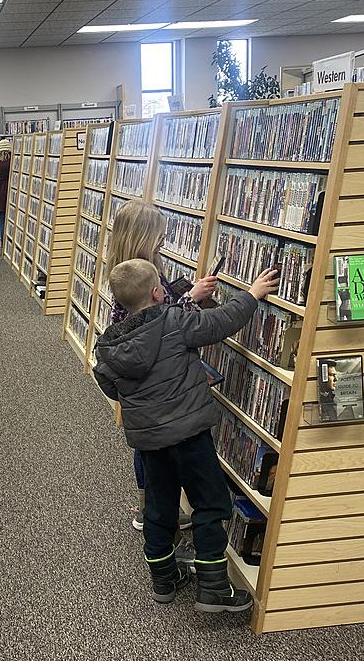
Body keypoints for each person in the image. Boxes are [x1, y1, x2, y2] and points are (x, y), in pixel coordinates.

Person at [93, 258, 279, 612]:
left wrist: (139, 401)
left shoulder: (109, 344)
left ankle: (164, 579)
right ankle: (213, 587)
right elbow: (220, 322)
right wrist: (252, 295)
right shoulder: (175, 321)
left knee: (159, 509)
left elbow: (108, 383)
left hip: (150, 442)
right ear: (158, 291)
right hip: (190, 436)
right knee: (210, 503)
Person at [108, 201, 217, 537]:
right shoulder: (137, 271)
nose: (164, 242)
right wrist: (191, 298)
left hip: (142, 383)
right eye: (159, 237)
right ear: (142, 237)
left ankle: (150, 507)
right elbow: (154, 323)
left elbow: (158, 306)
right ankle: (149, 510)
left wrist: (179, 290)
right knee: (150, 448)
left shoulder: (133, 269)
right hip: (152, 380)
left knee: (148, 445)